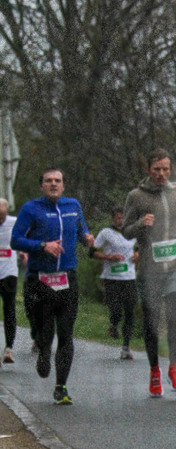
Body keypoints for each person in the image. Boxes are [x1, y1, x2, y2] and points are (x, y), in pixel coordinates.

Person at [11, 169, 94, 404]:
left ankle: (61, 387)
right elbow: (16, 240)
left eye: (57, 181)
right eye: (49, 181)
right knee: (44, 331)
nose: (53, 184)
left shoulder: (73, 205)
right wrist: (42, 245)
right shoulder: (31, 209)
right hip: (40, 279)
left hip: (68, 278)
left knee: (66, 334)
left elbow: (81, 230)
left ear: (64, 185)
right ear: (42, 186)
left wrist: (87, 238)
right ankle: (44, 351)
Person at [122, 148, 176, 397]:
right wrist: (140, 224)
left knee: (175, 313)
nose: (162, 174)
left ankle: (173, 367)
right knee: (152, 322)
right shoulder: (136, 196)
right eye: (157, 169)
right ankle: (154, 370)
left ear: (170, 169)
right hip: (151, 268)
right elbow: (125, 231)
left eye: (166, 169)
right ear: (148, 171)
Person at [92, 206, 138, 359]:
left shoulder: (134, 232)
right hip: (111, 278)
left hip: (129, 277)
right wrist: (108, 257)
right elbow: (92, 252)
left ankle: (126, 347)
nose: (121, 220)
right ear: (113, 218)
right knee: (116, 309)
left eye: (123, 218)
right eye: (118, 217)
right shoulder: (106, 233)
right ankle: (113, 324)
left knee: (130, 310)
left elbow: (144, 247)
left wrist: (139, 254)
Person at [0, 198, 27, 365]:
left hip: (9, 273)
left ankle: (9, 348)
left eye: (2, 215)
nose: (0, 219)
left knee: (9, 309)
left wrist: (24, 251)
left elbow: (23, 238)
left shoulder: (14, 222)